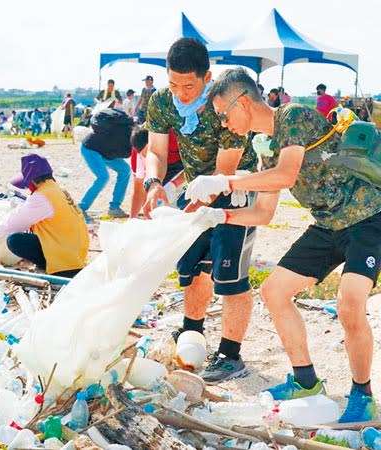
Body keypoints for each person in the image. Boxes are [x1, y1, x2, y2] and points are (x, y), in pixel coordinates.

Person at [184, 67, 381, 422]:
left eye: (223, 116)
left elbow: (288, 175)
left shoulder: (293, 116)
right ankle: (305, 380)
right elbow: (263, 213)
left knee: (349, 303)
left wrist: (225, 181)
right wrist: (218, 217)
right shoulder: (268, 149)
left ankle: (362, 393)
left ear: (242, 103)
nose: (224, 125)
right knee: (274, 291)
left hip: (367, 218)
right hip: (326, 226)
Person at [144, 38, 258, 383]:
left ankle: (230, 353)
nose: (181, 92)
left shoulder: (225, 102)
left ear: (207, 77)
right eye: (174, 83)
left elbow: (225, 171)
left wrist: (186, 212)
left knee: (229, 273)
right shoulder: (162, 101)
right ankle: (192, 331)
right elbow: (156, 152)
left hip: (236, 188)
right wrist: (153, 184)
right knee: (192, 267)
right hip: (196, 189)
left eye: (189, 85)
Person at [0, 153, 88, 277]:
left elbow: (17, 221)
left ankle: (52, 268)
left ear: (32, 180)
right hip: (76, 251)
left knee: (15, 240)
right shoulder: (57, 189)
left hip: (65, 260)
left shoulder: (43, 196)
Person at [78, 104, 133, 220]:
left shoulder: (128, 133)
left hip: (106, 150)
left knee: (125, 170)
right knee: (103, 177)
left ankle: (114, 208)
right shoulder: (128, 136)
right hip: (90, 148)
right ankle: (81, 208)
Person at [129, 126, 183, 218]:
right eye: (144, 155)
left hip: (184, 162)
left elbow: (197, 166)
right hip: (159, 168)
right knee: (153, 194)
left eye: (149, 152)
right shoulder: (137, 156)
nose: (146, 156)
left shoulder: (175, 137)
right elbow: (138, 188)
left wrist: (174, 183)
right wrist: (132, 218)